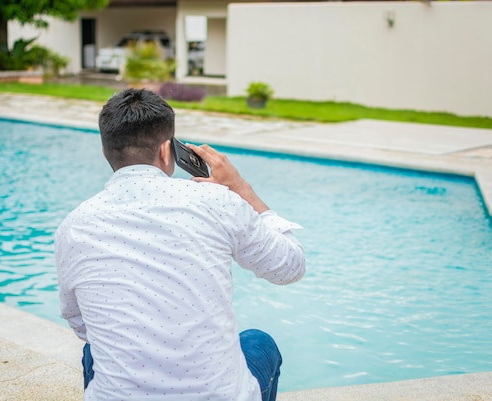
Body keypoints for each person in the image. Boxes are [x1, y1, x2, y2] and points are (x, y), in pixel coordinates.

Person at [55, 88, 305, 401]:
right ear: (166, 151)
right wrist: (241, 188)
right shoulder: (218, 201)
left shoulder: (73, 227)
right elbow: (290, 266)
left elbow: (79, 322)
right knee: (259, 342)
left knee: (96, 351)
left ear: (106, 151)